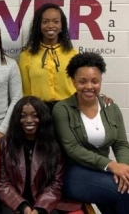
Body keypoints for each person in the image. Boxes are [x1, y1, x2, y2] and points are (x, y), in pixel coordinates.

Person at [52, 52, 129, 214]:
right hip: (74, 173)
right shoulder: (62, 109)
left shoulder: (111, 108)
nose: (89, 86)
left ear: (100, 81)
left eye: (95, 81)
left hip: (102, 172)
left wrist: (124, 169)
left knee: (122, 190)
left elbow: (121, 144)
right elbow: (72, 148)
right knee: (122, 192)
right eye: (82, 81)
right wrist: (111, 165)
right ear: (73, 82)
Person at [0, 96, 83, 214]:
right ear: (16, 119)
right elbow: (3, 183)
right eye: (23, 116)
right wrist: (23, 206)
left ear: (42, 117)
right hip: (14, 202)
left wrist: (39, 208)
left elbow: (56, 183)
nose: (29, 120)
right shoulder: (4, 144)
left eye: (35, 115)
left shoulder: (54, 146)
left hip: (45, 202)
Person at [19, 3, 77, 112]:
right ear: (38, 26)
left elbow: (79, 87)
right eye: (45, 22)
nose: (51, 26)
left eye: (56, 21)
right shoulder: (26, 56)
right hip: (39, 111)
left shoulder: (72, 54)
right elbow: (26, 92)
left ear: (62, 26)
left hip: (68, 110)